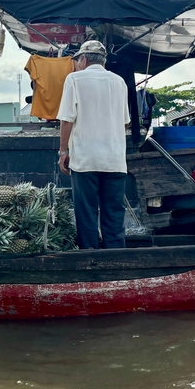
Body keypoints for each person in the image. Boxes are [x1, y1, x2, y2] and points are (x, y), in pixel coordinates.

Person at [56, 40, 130, 249]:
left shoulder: (74, 79)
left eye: (77, 61)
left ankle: (90, 259)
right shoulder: (119, 82)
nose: (76, 65)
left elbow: (67, 120)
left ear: (84, 59)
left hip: (85, 160)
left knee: (86, 213)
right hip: (115, 161)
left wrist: (63, 151)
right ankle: (116, 261)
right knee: (114, 213)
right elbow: (125, 122)